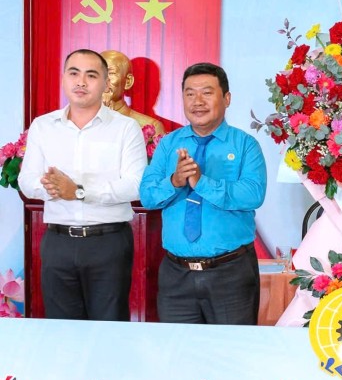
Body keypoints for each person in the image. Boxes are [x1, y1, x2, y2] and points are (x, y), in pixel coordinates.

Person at [18, 49, 147, 320]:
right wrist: (53, 188)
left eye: (91, 75)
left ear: (104, 84)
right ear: (64, 78)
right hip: (58, 242)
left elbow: (136, 185)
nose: (81, 82)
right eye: (73, 73)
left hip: (108, 242)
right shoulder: (43, 126)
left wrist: (78, 191)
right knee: (62, 330)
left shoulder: (125, 128)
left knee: (109, 327)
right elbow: (27, 182)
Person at [140, 62, 267, 324]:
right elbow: (148, 196)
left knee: (231, 357)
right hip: (176, 275)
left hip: (230, 273)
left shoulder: (245, 145)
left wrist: (202, 182)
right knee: (179, 356)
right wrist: (175, 181)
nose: (197, 101)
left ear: (226, 98)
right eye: (190, 93)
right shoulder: (169, 144)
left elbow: (253, 194)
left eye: (207, 93)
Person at [101, 50, 166, 136]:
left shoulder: (150, 127)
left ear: (128, 82)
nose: (102, 80)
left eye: (111, 73)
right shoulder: (83, 121)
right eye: (96, 74)